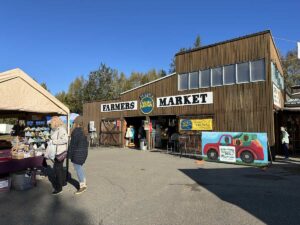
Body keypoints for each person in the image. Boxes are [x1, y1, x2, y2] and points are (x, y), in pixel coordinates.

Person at [69, 116, 88, 194]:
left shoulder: (75, 131)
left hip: (77, 153)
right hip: (84, 152)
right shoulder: (84, 131)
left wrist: (69, 155)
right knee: (79, 167)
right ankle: (84, 181)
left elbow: (73, 145)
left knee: (78, 168)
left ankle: (82, 185)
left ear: (76, 123)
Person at [50, 116, 68, 195]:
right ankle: (63, 182)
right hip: (59, 151)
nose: (51, 123)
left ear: (55, 121)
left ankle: (59, 188)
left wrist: (54, 142)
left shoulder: (61, 129)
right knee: (59, 168)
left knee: (57, 169)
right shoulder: (57, 129)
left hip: (60, 152)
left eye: (52, 121)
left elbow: (65, 140)